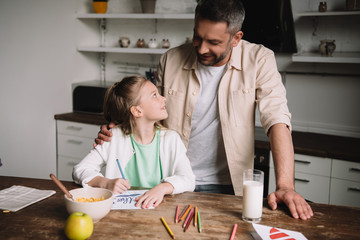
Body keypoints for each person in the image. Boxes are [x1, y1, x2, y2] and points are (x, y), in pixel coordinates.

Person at [95, 0, 313, 220]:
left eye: (213, 42)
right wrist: (119, 127)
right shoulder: (170, 60)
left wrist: (285, 185)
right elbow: (149, 113)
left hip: (229, 185)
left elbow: (277, 119)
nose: (201, 48)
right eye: (197, 37)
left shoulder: (259, 59)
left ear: (236, 38)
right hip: (169, 182)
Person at [73, 76, 195, 209]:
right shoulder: (114, 138)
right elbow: (80, 170)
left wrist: (163, 188)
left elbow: (188, 179)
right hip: (121, 214)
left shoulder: (171, 139)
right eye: (154, 95)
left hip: (159, 211)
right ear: (137, 111)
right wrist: (105, 183)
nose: (163, 98)